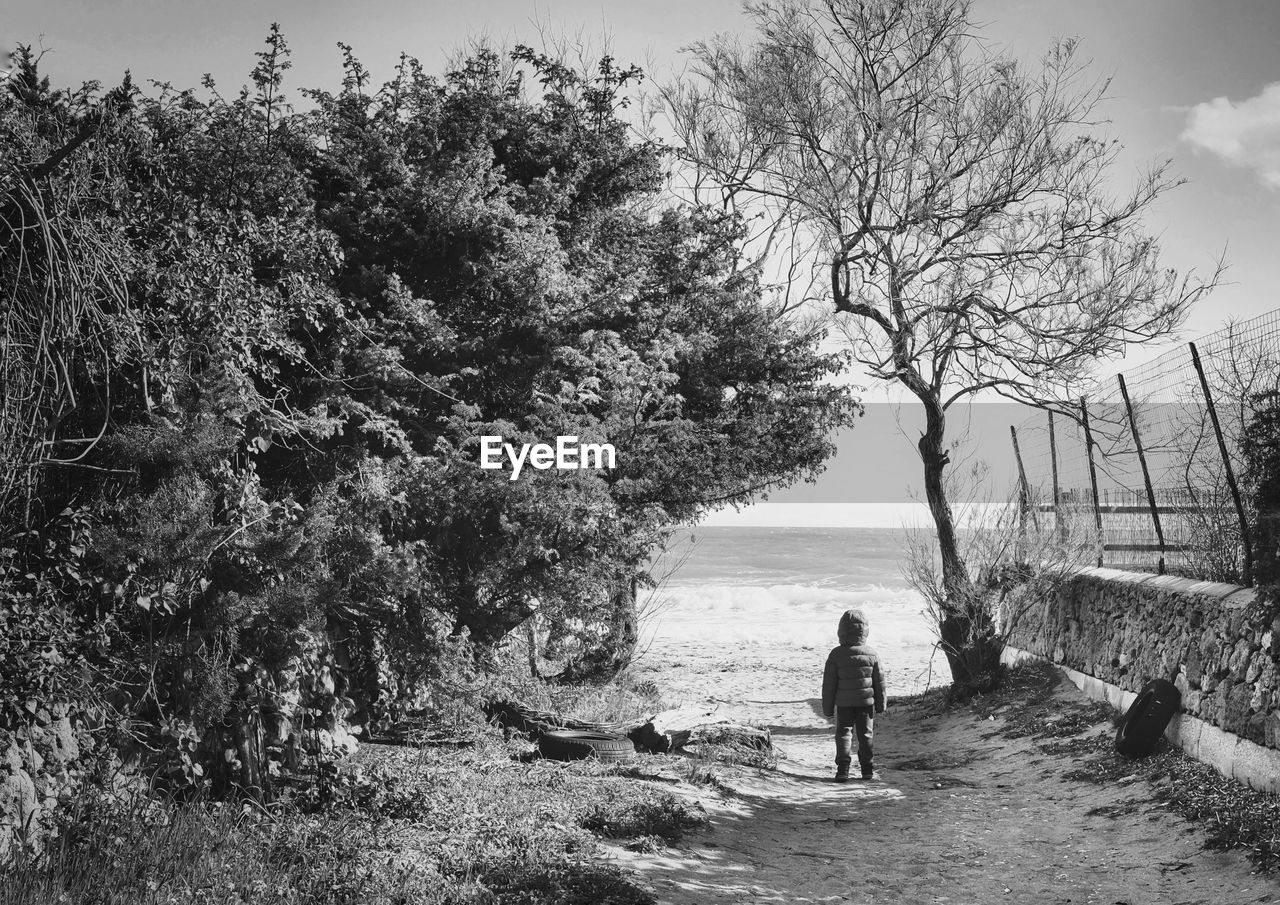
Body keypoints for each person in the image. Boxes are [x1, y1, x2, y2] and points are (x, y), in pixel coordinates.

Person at [821, 608, 886, 781]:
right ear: (864, 630)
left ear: (841, 630)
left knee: (843, 734)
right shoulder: (871, 654)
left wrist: (827, 709)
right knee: (866, 735)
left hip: (843, 704)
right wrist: (881, 705)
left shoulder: (836, 654)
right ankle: (867, 769)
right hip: (865, 704)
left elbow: (829, 684)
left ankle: (843, 769)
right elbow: (880, 683)